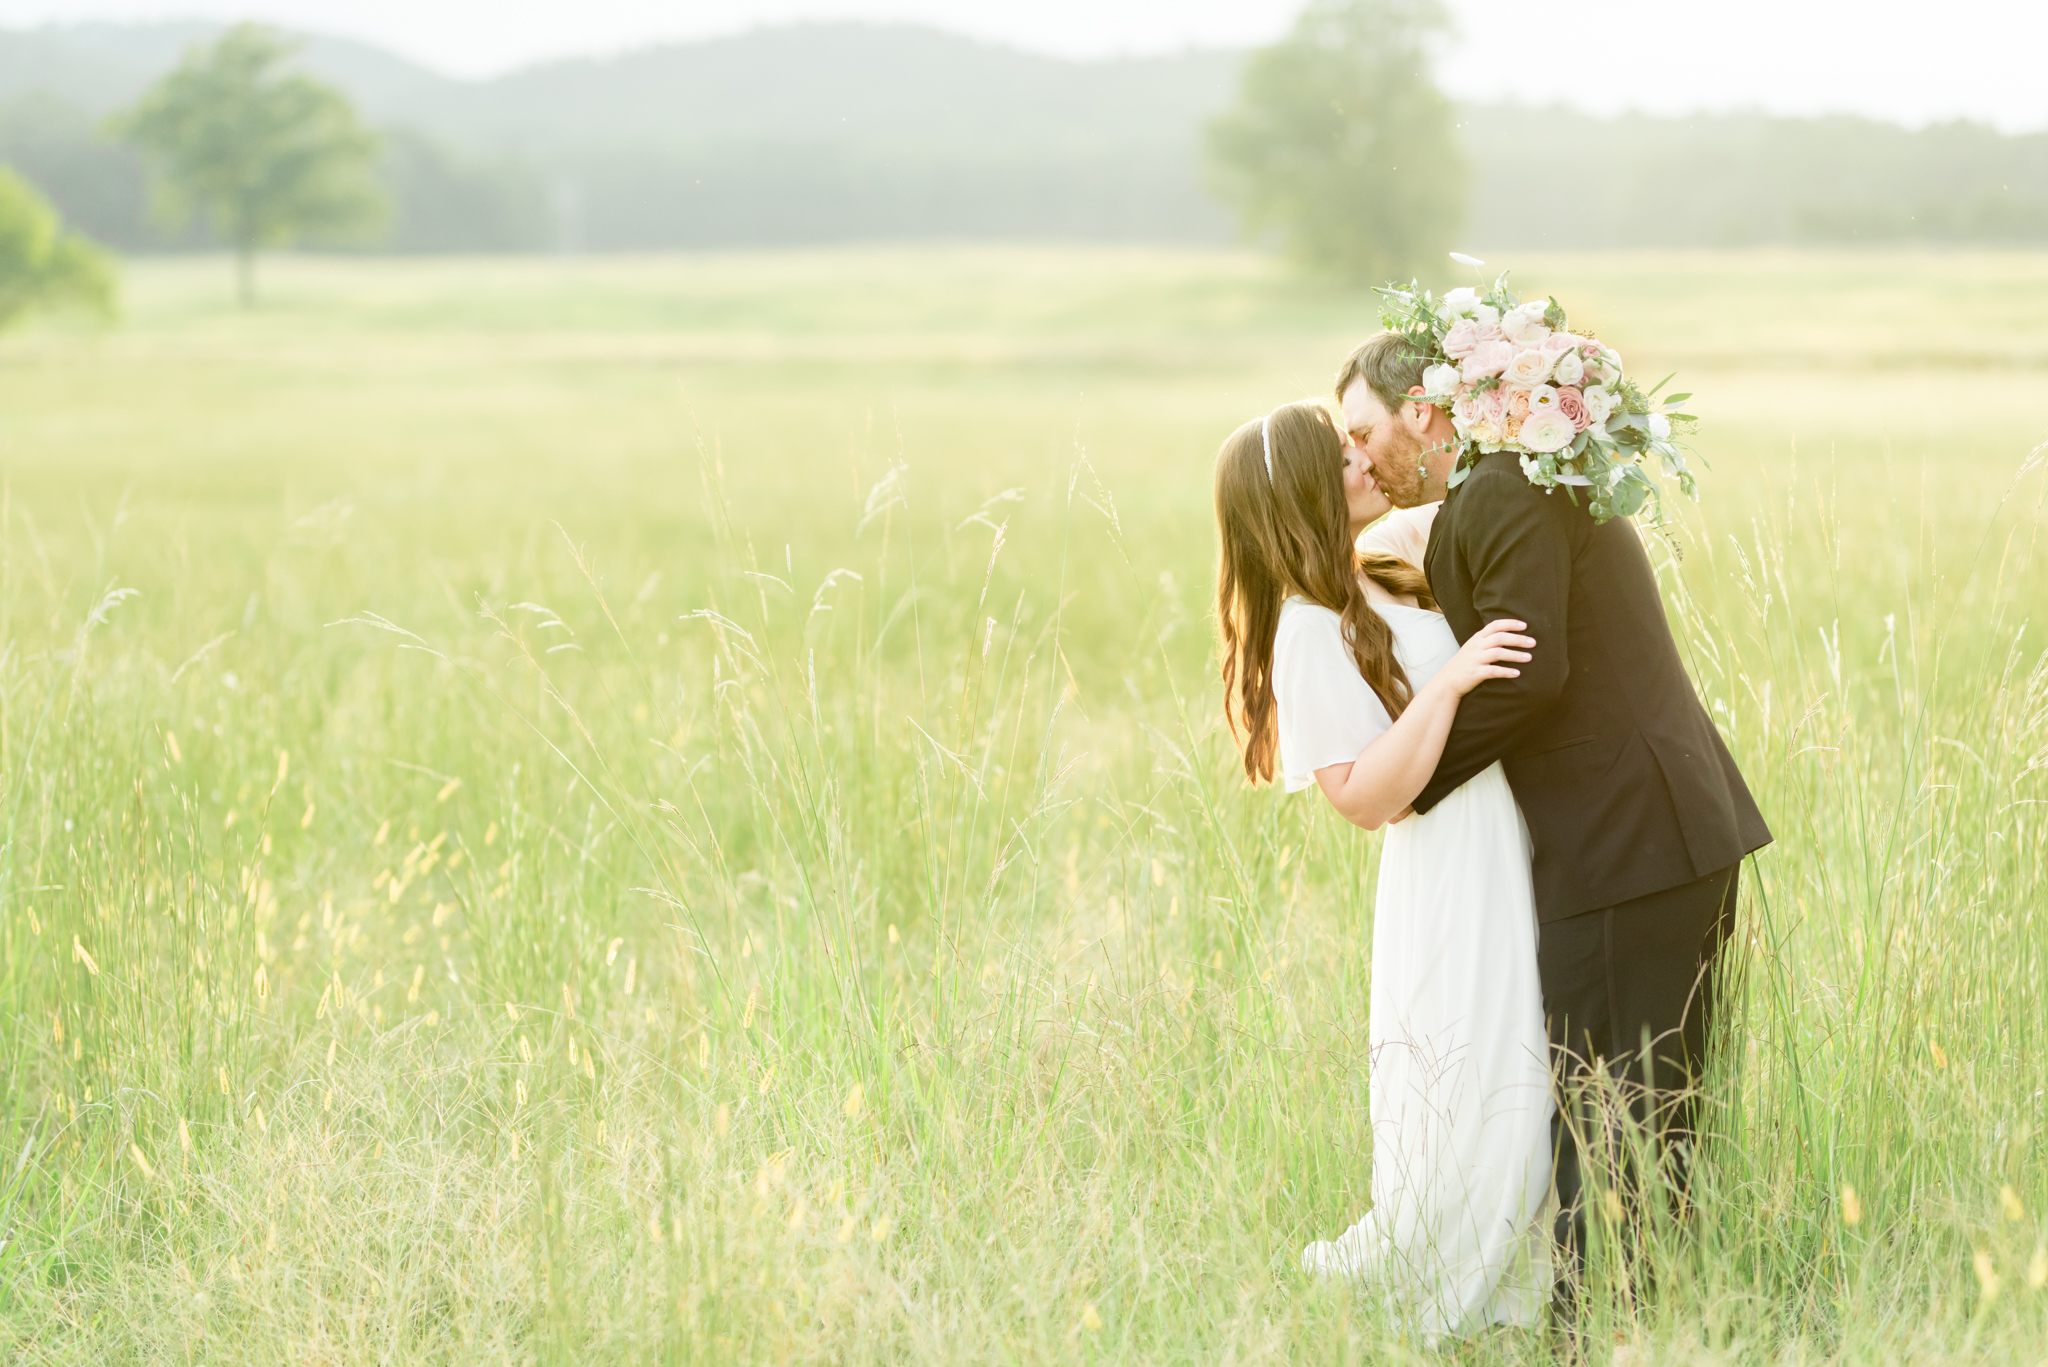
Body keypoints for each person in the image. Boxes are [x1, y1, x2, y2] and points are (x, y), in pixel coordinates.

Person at [1333, 333, 1773, 1318]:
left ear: (1421, 411)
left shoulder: (1500, 489)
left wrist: (1403, 782)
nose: (1358, 457)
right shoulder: (1497, 487)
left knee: (1611, 1116)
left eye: (1364, 431)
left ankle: (1596, 1334)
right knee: (1629, 1111)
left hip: (1632, 840)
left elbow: (1532, 671)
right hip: (1639, 838)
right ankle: (1633, 1324)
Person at [1214, 399, 1554, 1340]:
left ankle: (1525, 1278)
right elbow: (1365, 796)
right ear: (1308, 494)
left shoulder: (1375, 577)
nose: (1363, 458)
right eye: (1343, 455)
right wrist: (1447, 683)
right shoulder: (1306, 628)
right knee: (1481, 1063)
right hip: (1445, 860)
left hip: (1497, 837)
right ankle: (1456, 1283)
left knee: (1522, 1049)